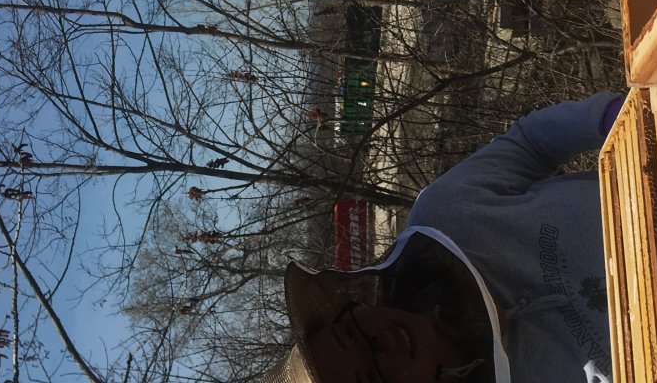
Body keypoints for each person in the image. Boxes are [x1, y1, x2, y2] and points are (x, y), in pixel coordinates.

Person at [262, 94, 622, 383]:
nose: (380, 341)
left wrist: (612, 118)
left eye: (353, 334)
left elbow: (530, 145)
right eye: (371, 376)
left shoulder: (446, 214)